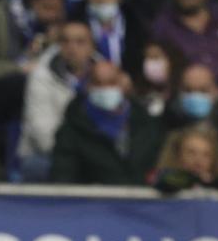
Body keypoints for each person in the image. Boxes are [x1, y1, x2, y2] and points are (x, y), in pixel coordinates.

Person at [49, 56, 165, 184]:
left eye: (111, 82)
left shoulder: (148, 125)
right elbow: (62, 179)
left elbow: (159, 171)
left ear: (123, 83)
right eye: (98, 83)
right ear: (87, 85)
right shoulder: (71, 131)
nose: (105, 88)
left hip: (143, 201)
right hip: (93, 201)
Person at [20, 17, 95, 180]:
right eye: (65, 41)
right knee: (37, 166)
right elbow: (43, 137)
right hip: (48, 154)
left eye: (80, 42)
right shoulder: (41, 77)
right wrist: (86, 154)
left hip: (96, 155)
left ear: (92, 46)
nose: (72, 48)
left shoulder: (105, 75)